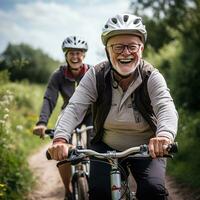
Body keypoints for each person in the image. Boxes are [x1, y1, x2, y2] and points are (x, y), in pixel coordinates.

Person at [48, 13, 178, 200]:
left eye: (132, 46)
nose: (125, 52)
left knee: (153, 191)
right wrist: (60, 139)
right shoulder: (96, 75)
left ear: (141, 49)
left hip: (148, 148)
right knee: (100, 193)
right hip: (105, 147)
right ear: (107, 50)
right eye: (118, 47)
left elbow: (165, 106)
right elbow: (75, 107)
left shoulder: (151, 76)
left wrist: (164, 136)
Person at [32, 35, 93, 200]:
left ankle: (97, 182)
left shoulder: (92, 72)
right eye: (71, 53)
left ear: (84, 55)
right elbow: (49, 98)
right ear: (66, 55)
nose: (75, 57)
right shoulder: (58, 75)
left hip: (91, 114)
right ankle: (68, 190)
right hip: (68, 114)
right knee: (63, 150)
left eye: (78, 53)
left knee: (96, 146)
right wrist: (42, 122)